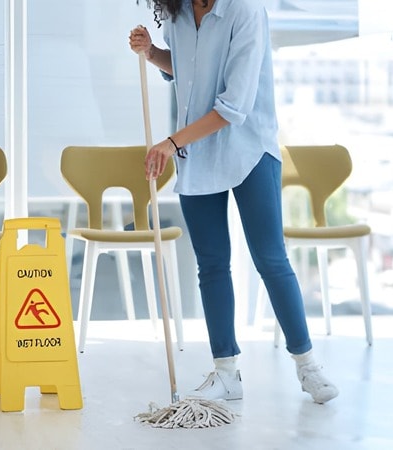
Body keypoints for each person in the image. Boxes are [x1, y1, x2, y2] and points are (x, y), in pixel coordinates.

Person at [129, 0, 338, 404]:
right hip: (197, 151)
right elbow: (191, 75)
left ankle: (308, 367)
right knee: (211, 264)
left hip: (249, 149)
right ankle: (226, 372)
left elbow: (233, 105)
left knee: (270, 259)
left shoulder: (245, 12)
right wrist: (153, 53)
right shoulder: (178, 13)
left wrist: (171, 143)